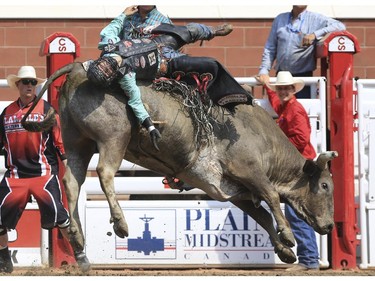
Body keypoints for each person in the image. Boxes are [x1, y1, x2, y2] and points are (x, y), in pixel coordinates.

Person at [94, 8, 239, 149]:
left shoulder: (109, 45)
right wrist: (150, 126)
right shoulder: (126, 75)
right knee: (209, 64)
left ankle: (212, 31)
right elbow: (135, 101)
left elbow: (110, 29)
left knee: (188, 31)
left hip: (158, 43)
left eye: (103, 65)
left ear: (100, 61)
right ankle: (230, 92)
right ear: (111, 75)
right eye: (107, 70)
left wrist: (122, 15)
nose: (108, 65)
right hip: (165, 63)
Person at [0, 66, 71, 273]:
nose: (29, 85)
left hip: (43, 174)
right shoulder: (7, 113)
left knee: (61, 218)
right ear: (18, 85)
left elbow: (60, 143)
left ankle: (79, 254)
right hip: (15, 176)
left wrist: (69, 168)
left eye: (33, 82)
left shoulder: (48, 111)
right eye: (25, 82)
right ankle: (4, 259)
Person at [256, 71, 319, 271]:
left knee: (297, 212)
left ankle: (309, 260)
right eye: (280, 88)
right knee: (296, 213)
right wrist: (267, 85)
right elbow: (276, 102)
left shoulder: (295, 110)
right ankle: (309, 259)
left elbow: (302, 139)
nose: (282, 91)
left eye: (286, 88)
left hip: (300, 169)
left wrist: (278, 146)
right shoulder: (287, 107)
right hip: (300, 168)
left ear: (293, 90)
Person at [257, 5, 346, 98]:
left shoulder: (315, 18)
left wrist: (315, 34)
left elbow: (340, 26)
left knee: (303, 110)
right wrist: (264, 71)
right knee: (279, 110)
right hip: (281, 77)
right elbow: (270, 47)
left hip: (303, 79)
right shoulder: (280, 19)